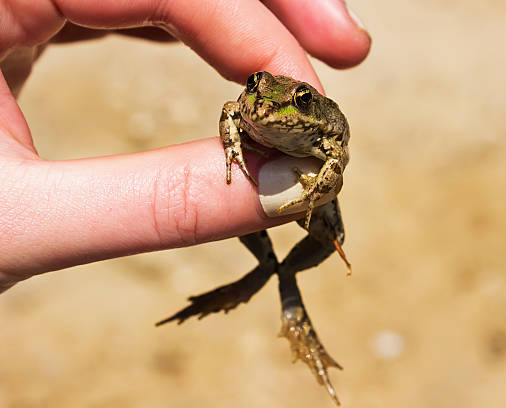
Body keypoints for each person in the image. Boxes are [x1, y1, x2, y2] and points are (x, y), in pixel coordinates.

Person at [0, 0, 370, 292]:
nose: (265, 104)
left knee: (332, 234)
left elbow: (337, 157)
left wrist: (311, 192)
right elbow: (230, 110)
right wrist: (233, 149)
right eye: (254, 86)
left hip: (308, 145)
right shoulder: (246, 109)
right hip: (271, 149)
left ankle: (286, 274)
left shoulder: (323, 134)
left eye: (298, 98)